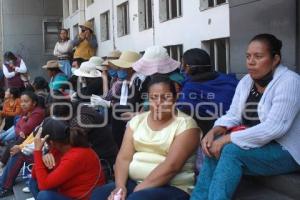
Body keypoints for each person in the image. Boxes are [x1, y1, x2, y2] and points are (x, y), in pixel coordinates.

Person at [190, 34, 300, 200]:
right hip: (255, 145)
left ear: (275, 59)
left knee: (231, 151)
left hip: (286, 151)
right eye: (248, 56)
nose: (251, 61)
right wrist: (215, 131)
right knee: (214, 147)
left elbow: (274, 128)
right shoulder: (246, 82)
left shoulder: (290, 82)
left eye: (258, 56)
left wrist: (227, 139)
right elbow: (233, 114)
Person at [93, 75, 201, 200]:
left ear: (175, 98)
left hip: (172, 187)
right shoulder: (137, 121)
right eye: (154, 98)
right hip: (135, 182)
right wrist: (120, 187)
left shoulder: (186, 125)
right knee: (99, 194)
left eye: (165, 97)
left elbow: (172, 166)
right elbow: (123, 158)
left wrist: (137, 190)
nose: (159, 103)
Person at [29, 117, 105, 200]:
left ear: (50, 142)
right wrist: (43, 159)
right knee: (33, 182)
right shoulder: (58, 148)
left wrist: (37, 152)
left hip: (82, 197)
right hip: (66, 191)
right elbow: (35, 175)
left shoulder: (75, 155)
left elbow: (43, 185)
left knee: (44, 196)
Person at [177, 48, 238, 135]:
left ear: (188, 67)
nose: (182, 69)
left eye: (183, 65)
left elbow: (180, 112)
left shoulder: (189, 89)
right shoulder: (229, 80)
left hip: (211, 135)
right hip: (239, 127)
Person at [90, 51, 144, 148]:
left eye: (121, 68)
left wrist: (110, 104)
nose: (119, 70)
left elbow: (131, 106)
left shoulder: (137, 81)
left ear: (131, 69)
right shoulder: (127, 82)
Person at [0, 91, 45, 166]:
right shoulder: (27, 111)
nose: (23, 104)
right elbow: (18, 125)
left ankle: (2, 164)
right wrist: (21, 129)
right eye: (22, 102)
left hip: (30, 140)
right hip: (22, 136)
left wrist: (22, 123)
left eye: (26, 101)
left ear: (34, 103)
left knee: (10, 144)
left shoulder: (37, 113)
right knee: (8, 140)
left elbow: (26, 129)